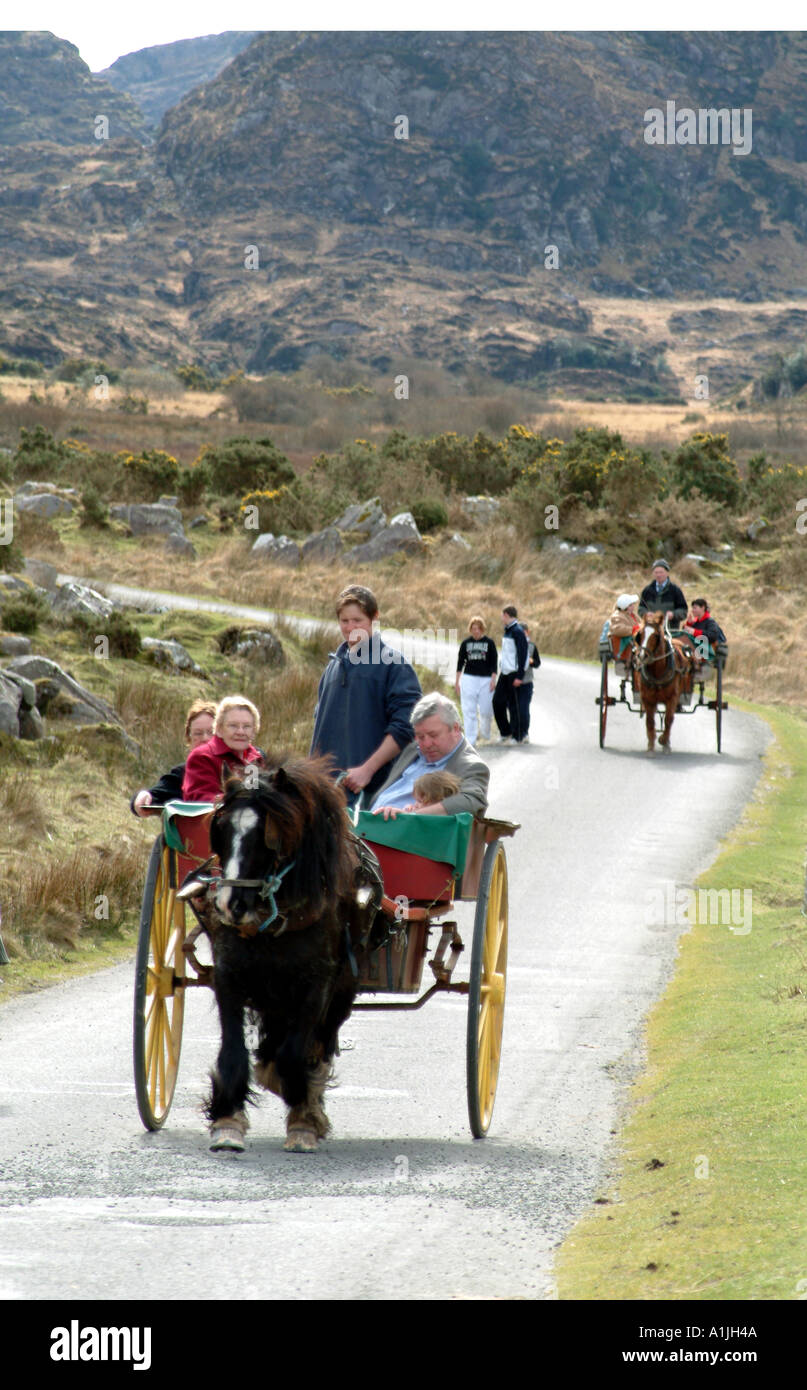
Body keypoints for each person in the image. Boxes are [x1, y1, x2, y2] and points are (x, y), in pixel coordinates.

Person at [310, 583, 421, 805]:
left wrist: (367, 770)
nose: (351, 627)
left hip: (373, 796)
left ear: (375, 618)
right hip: (326, 794)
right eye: (344, 621)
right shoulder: (332, 668)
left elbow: (406, 727)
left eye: (358, 620)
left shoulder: (394, 665)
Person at [371, 693, 490, 818]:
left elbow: (472, 802)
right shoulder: (413, 749)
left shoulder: (471, 766)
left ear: (455, 729)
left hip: (406, 832)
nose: (426, 744)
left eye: (433, 735)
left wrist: (410, 816)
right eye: (420, 736)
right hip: (369, 824)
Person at [130, 699, 216, 816]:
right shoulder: (182, 774)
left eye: (212, 732)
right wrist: (142, 797)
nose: (205, 738)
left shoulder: (239, 773)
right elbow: (152, 796)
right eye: (198, 733)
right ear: (189, 739)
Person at [182, 695, 263, 802]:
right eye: (233, 726)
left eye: (247, 726)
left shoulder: (255, 758)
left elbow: (255, 797)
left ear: (254, 732)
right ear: (219, 729)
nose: (240, 732)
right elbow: (202, 801)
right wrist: (239, 799)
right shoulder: (202, 757)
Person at [455, 615, 497, 746]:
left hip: (485, 679)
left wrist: (493, 680)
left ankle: (485, 732)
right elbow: (460, 663)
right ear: (470, 629)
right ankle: (470, 740)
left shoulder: (489, 643)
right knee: (469, 710)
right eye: (473, 628)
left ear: (482, 629)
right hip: (469, 678)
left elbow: (494, 663)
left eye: (478, 628)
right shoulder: (465, 643)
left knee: (485, 710)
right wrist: (457, 682)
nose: (476, 631)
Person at [492, 604, 529, 745]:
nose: (501, 618)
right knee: (497, 702)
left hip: (514, 673)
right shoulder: (508, 631)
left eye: (502, 615)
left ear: (507, 615)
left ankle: (517, 736)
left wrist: (520, 676)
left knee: (514, 706)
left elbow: (523, 655)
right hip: (505, 672)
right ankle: (505, 731)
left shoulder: (518, 631)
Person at [638, 559, 688, 625]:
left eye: (661, 572)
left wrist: (673, 615)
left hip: (671, 631)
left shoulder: (675, 590)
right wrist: (646, 614)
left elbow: (683, 610)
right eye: (656, 572)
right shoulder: (647, 590)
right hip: (651, 630)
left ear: (667, 573)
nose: (658, 575)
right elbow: (641, 608)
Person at [682, 598, 728, 666]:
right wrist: (689, 624)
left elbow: (712, 636)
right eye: (692, 608)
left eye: (695, 608)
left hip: (706, 658)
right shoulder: (696, 622)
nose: (692, 610)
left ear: (702, 608)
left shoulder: (710, 622)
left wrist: (694, 632)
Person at [519, 622, 541, 740]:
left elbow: (538, 663)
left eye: (524, 632)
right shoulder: (513, 645)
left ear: (527, 632)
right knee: (514, 708)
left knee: (524, 708)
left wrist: (532, 662)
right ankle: (516, 732)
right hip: (514, 682)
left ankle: (525, 733)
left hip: (527, 681)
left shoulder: (532, 646)